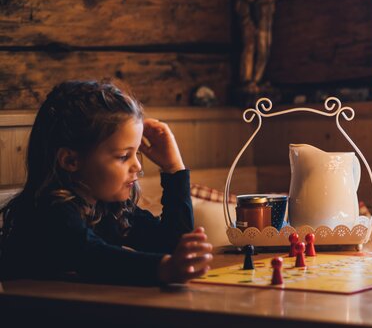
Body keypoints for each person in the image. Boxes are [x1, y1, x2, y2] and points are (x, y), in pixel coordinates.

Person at [0, 80, 213, 285]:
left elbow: (171, 245)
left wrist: (174, 168)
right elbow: (92, 257)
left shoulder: (110, 210)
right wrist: (164, 268)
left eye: (137, 153)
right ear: (70, 160)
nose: (138, 166)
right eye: (123, 156)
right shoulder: (48, 212)